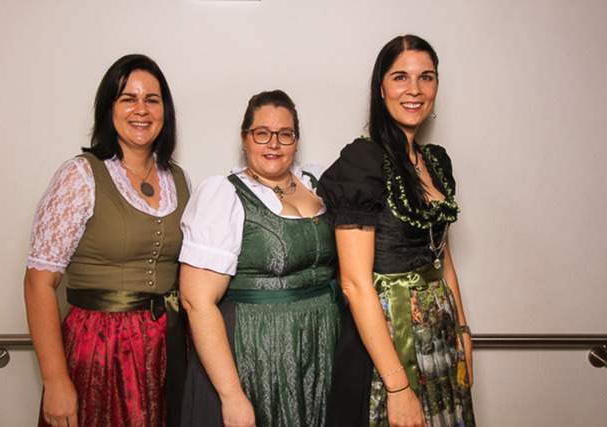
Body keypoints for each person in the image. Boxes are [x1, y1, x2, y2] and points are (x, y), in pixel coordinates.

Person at [24, 54, 190, 427]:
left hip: (167, 346)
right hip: (100, 348)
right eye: (127, 98)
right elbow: (38, 283)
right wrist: (55, 380)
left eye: (152, 99)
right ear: (108, 108)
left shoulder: (179, 179)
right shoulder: (80, 176)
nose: (141, 110)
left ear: (165, 111)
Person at [318, 35, 475, 426]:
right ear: (381, 87)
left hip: (440, 333)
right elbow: (354, 283)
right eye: (401, 77)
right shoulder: (363, 161)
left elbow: (443, 260)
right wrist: (397, 386)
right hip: (389, 337)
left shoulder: (435, 161)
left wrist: (462, 332)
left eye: (426, 77)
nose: (415, 89)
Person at [179, 90, 342, 427]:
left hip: (324, 344)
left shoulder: (320, 182)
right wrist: (231, 395)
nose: (274, 144)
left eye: (285, 134)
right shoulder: (224, 195)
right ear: (244, 138)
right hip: (258, 350)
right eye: (262, 133)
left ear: (296, 139)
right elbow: (197, 302)